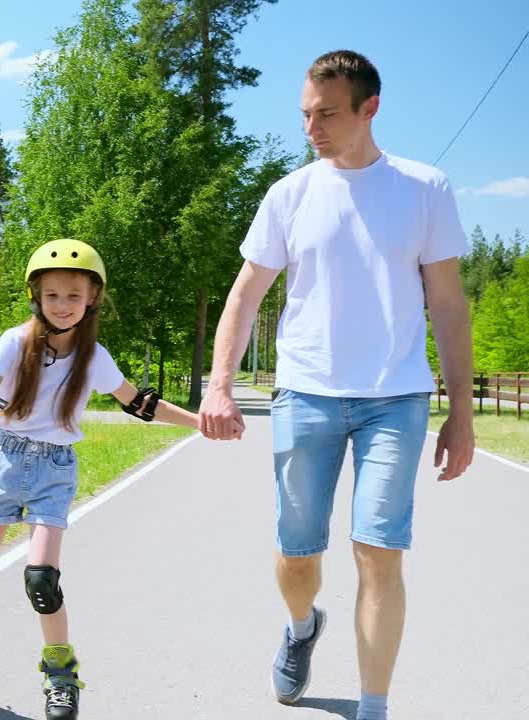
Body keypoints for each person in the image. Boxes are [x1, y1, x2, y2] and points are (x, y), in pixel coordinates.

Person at [199, 50, 476, 720]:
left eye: (325, 113)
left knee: (379, 553)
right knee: (299, 556)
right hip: (306, 393)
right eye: (305, 114)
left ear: (368, 108)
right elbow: (244, 295)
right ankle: (301, 628)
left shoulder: (424, 188)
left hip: (396, 398)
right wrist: (219, 385)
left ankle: (373, 706)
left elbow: (447, 303)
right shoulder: (288, 195)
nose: (311, 126)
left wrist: (462, 413)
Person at [0, 238, 200, 719]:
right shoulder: (13, 342)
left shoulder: (94, 357)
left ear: (92, 299)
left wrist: (199, 422)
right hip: (1, 460)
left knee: (42, 579)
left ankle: (60, 673)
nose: (63, 305)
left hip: (54, 469)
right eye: (53, 294)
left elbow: (139, 403)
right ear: (36, 296)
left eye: (74, 295)